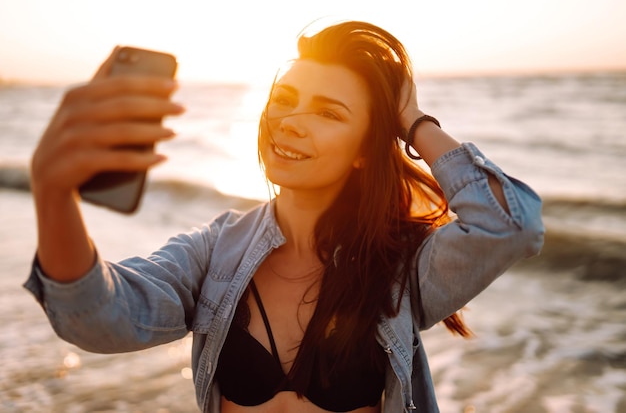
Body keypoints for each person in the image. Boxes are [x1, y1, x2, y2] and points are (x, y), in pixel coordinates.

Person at [25, 21, 544, 413]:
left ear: (367, 146)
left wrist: (414, 122)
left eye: (328, 113)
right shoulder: (215, 251)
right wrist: (53, 194)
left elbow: (512, 225)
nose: (292, 123)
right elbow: (97, 319)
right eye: (285, 101)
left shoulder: (399, 267)